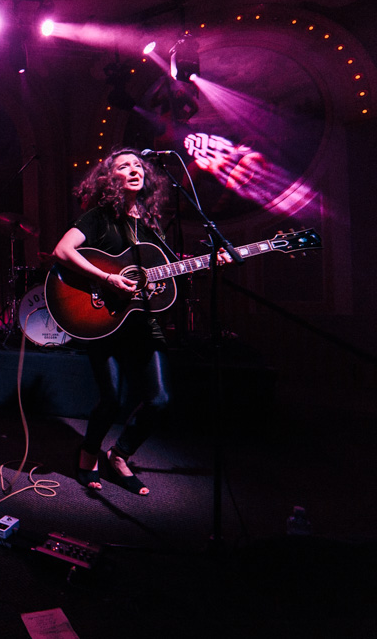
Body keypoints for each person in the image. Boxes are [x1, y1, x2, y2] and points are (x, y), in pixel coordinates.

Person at [52, 149, 229, 495]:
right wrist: (107, 279)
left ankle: (119, 454)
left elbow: (158, 272)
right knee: (112, 400)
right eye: (124, 166)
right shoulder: (98, 217)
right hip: (104, 320)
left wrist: (207, 261)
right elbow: (62, 251)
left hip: (141, 321)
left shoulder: (150, 221)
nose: (134, 170)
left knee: (160, 399)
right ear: (109, 178)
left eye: (138, 165)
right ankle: (87, 455)